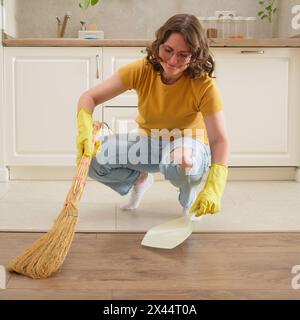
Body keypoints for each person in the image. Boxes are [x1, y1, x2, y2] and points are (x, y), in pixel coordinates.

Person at [76, 13, 230, 221]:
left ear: (195, 56)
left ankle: (189, 198)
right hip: (149, 142)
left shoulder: (204, 85)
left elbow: (219, 140)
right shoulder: (143, 70)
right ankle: (139, 179)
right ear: (159, 44)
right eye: (168, 50)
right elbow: (89, 97)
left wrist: (215, 185)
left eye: (183, 55)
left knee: (181, 162)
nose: (173, 61)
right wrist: (85, 130)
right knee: (93, 159)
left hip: (188, 145)